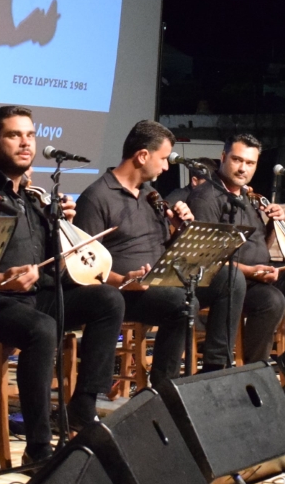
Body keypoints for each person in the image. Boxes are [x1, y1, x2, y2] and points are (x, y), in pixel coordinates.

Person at [0, 107, 124, 468]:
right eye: (14, 135)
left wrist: (64, 226)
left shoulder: (34, 199)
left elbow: (57, 268)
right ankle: (38, 448)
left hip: (35, 298)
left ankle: (82, 406)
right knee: (42, 328)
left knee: (108, 300)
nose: (25, 143)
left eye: (30, 135)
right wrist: (2, 279)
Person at [73, 120, 223, 380]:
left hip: (162, 280)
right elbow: (83, 266)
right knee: (183, 304)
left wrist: (179, 229)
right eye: (163, 158)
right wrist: (124, 280)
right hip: (125, 291)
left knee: (228, 279)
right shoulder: (96, 197)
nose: (166, 167)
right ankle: (163, 387)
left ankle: (218, 370)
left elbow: (166, 246)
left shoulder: (150, 194)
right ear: (142, 156)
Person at [188, 134, 285, 369]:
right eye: (237, 160)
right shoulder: (207, 197)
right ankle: (255, 369)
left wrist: (273, 224)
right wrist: (249, 271)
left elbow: (259, 246)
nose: (243, 168)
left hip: (258, 273)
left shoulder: (246, 196)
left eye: (250, 163)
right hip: (228, 281)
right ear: (223, 157)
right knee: (271, 300)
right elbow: (206, 259)